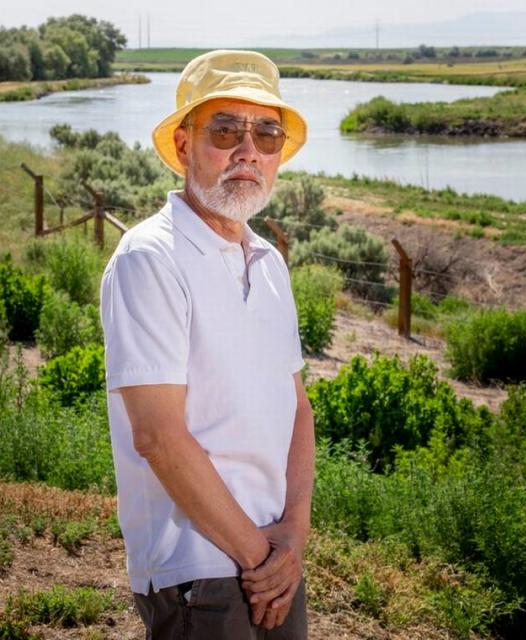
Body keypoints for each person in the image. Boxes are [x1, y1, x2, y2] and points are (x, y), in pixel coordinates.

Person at [99, 49, 314, 639]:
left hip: (273, 559)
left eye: (267, 133)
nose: (248, 150)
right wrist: (259, 557)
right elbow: (159, 436)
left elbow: (296, 407)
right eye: (226, 129)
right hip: (198, 571)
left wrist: (293, 536)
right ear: (185, 146)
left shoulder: (270, 263)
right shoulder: (151, 258)